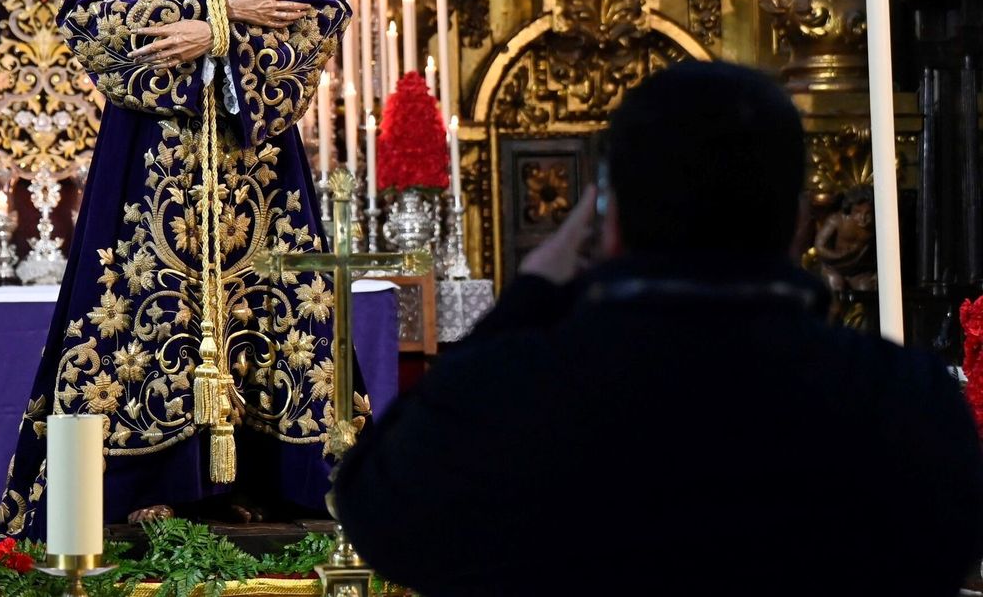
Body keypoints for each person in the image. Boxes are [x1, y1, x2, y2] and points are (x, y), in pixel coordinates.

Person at [334, 61, 983, 596]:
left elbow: (381, 511)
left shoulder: (518, 390)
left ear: (606, 221)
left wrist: (532, 289)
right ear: (801, 221)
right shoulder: (904, 398)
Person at [0, 0, 352, 537]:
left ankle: (266, 479)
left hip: (252, 159)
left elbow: (320, 7)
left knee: (268, 308)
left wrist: (220, 36)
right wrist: (217, 9)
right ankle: (143, 484)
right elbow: (88, 16)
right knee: (130, 304)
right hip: (147, 161)